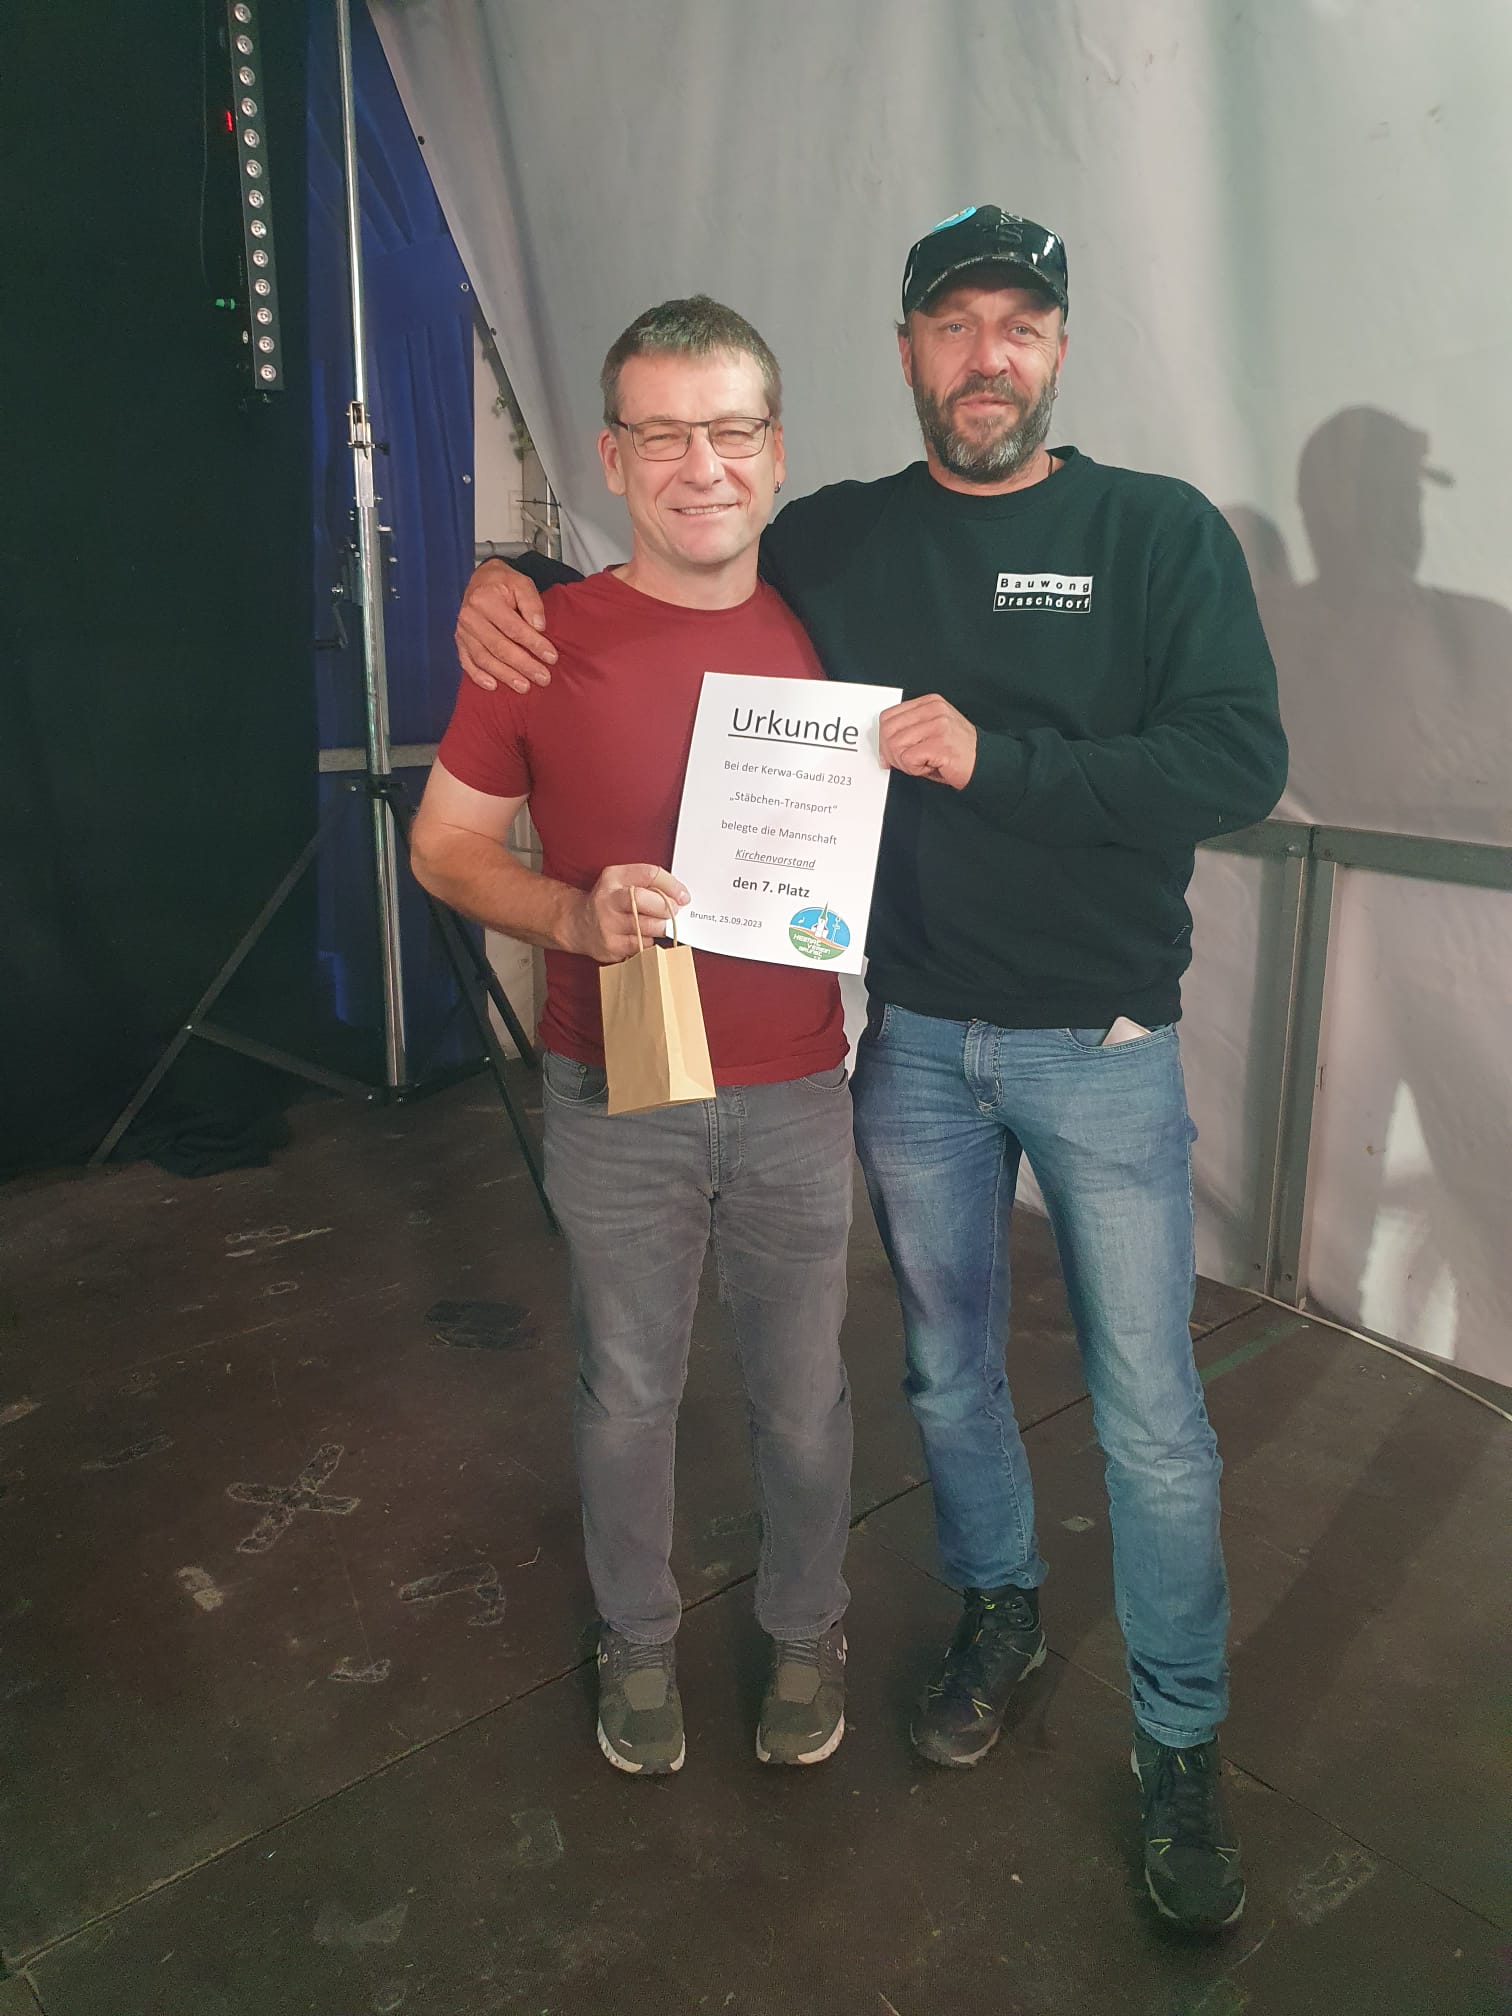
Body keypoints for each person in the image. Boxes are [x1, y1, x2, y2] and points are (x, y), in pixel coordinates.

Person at [454, 207, 1288, 1932]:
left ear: (1058, 349)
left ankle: (1183, 1740)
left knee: (1150, 1416)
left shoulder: (1153, 533)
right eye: (954, 324)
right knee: (944, 1380)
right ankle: (996, 1609)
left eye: (1019, 325)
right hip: (903, 1043)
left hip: (1100, 1042)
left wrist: (1002, 762)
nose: (988, 356)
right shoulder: (837, 537)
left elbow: (1235, 762)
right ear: (906, 351)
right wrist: (501, 576)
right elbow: (673, 548)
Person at [411, 297, 855, 1779]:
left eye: (729, 430)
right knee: (625, 1393)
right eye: (662, 435)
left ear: (776, 451)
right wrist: (566, 912)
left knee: (806, 1400)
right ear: (611, 459)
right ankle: (638, 1637)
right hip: (613, 1081)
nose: (699, 465)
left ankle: (808, 1627)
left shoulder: (836, 630)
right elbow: (443, 846)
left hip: (797, 1085)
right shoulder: (538, 642)